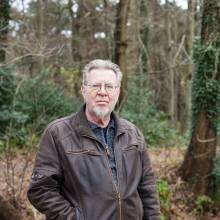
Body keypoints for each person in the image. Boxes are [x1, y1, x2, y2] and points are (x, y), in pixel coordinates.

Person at [27, 59, 161, 220]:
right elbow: (40, 190)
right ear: (83, 90)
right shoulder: (58, 133)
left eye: (109, 86)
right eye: (96, 86)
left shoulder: (133, 134)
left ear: (117, 92)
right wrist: (75, 217)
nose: (103, 92)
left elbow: (147, 189)